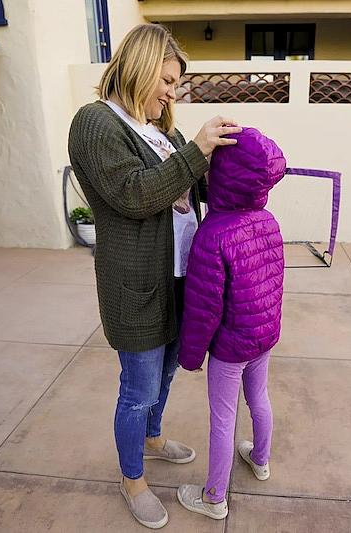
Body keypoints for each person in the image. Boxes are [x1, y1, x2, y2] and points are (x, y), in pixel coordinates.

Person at [67, 24, 242, 529]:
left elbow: (193, 186)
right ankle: (133, 479)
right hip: (137, 284)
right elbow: (135, 194)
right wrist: (196, 153)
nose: (171, 92)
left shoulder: (161, 131)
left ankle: (152, 437)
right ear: (138, 68)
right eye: (165, 80)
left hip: (181, 278)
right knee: (138, 388)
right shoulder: (97, 123)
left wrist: (226, 162)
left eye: (175, 83)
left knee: (166, 372)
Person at [175, 127, 286, 520]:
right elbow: (274, 282)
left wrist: (190, 356)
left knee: (222, 419)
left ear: (221, 176)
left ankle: (214, 497)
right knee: (259, 398)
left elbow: (204, 308)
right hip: (264, 336)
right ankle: (261, 459)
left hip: (231, 346)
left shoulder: (213, 234)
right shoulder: (268, 221)